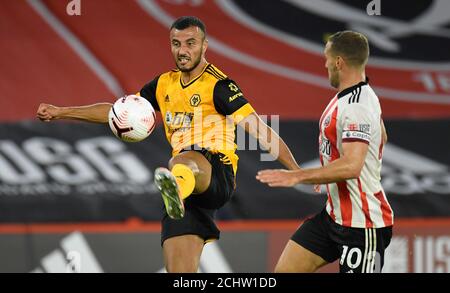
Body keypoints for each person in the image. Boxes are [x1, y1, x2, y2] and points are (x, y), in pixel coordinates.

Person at [37, 16, 299, 273]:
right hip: (183, 190)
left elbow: (261, 130)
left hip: (215, 172)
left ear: (205, 46)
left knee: (181, 160)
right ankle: (178, 192)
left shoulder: (219, 86)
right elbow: (117, 112)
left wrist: (296, 171)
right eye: (176, 44)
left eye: (190, 43)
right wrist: (61, 112)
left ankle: (177, 187)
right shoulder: (163, 84)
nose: (182, 51)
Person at [257, 31, 393, 273]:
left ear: (339, 62)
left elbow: (352, 166)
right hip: (333, 216)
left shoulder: (356, 107)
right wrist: (326, 175)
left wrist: (298, 176)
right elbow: (381, 136)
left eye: (327, 58)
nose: (325, 64)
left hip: (362, 225)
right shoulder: (360, 96)